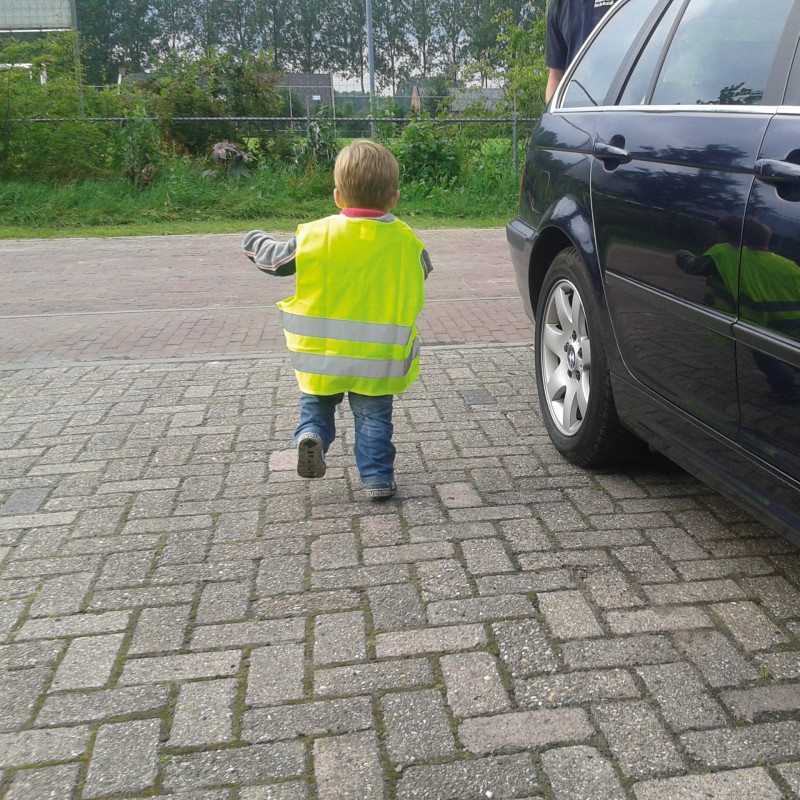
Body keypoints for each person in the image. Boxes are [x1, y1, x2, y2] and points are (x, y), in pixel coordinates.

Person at [242, 141, 433, 500]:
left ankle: (310, 435)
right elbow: (423, 271)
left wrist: (253, 240)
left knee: (316, 404)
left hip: (321, 356)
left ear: (338, 196)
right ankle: (376, 479)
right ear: (394, 198)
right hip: (377, 362)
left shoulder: (315, 235)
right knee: (374, 420)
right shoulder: (407, 241)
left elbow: (273, 262)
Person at [546, 0, 616, 102]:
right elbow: (556, 76)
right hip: (576, 108)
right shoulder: (559, 5)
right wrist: (553, 116)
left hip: (620, 104)